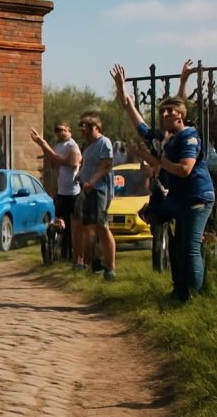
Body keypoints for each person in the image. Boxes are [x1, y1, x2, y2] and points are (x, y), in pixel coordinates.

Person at [112, 63, 215, 301]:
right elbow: (132, 111)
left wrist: (153, 159)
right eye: (163, 112)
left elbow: (184, 170)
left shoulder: (189, 136)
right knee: (178, 249)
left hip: (197, 197)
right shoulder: (162, 137)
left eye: (171, 112)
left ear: (181, 115)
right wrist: (121, 88)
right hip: (179, 198)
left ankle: (196, 296)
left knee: (188, 248)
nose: (167, 114)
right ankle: (180, 293)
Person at [72, 111, 116, 279]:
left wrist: (92, 180)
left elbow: (106, 166)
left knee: (101, 227)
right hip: (87, 189)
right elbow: (86, 164)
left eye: (87, 127)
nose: (83, 131)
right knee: (87, 227)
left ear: (97, 127)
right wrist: (81, 176)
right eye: (81, 128)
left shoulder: (104, 142)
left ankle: (110, 268)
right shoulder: (87, 146)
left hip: (99, 190)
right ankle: (94, 264)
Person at [31, 122, 81, 260]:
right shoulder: (58, 146)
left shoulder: (72, 145)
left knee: (72, 226)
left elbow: (72, 162)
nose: (58, 132)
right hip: (61, 192)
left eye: (61, 129)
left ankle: (72, 255)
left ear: (68, 130)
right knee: (59, 224)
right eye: (56, 130)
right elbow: (54, 165)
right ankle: (61, 254)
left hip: (73, 192)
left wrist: (44, 145)